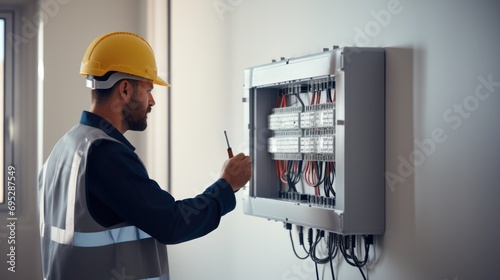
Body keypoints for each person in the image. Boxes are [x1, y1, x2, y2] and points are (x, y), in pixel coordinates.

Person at [38, 31, 251, 280]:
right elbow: (172, 224)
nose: (152, 101)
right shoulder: (105, 155)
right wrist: (226, 186)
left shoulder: (67, 146)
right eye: (148, 89)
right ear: (126, 90)